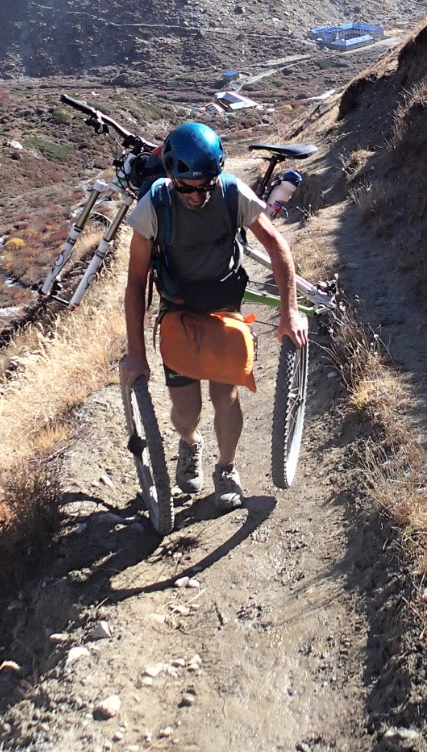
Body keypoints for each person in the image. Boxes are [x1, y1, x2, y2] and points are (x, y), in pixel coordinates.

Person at [120, 121, 309, 510]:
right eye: (186, 186)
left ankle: (226, 469)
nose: (195, 194)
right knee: (186, 412)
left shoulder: (230, 194)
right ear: (172, 177)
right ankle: (189, 443)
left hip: (224, 307)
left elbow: (278, 249)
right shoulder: (153, 206)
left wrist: (289, 312)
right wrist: (136, 354)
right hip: (179, 312)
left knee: (226, 394)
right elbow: (136, 282)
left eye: (204, 185)